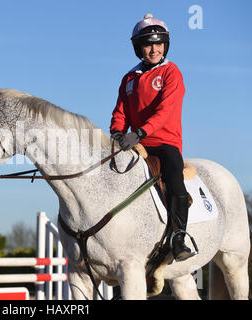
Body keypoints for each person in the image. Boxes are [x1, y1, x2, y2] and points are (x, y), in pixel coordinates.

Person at [110, 14, 195, 262]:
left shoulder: (172, 72)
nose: (154, 49)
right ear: (139, 48)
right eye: (148, 44)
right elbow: (120, 110)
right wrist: (117, 132)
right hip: (136, 145)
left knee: (174, 178)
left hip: (164, 143)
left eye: (159, 44)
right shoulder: (129, 78)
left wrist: (138, 133)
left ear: (165, 46)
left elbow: (165, 111)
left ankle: (179, 235)